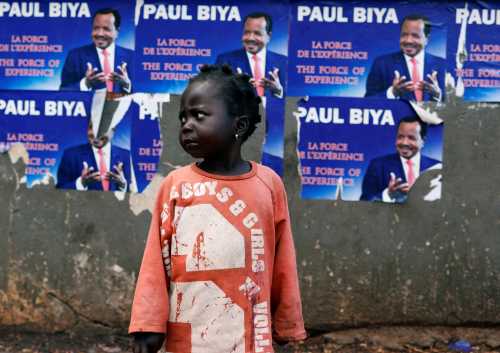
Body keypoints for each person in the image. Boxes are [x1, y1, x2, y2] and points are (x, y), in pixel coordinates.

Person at [129, 65, 306, 353]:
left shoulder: (267, 185)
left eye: (199, 115)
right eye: (183, 117)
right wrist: (148, 325)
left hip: (249, 340)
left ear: (238, 125)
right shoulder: (175, 185)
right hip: (188, 339)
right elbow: (154, 263)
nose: (186, 124)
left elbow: (283, 261)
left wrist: (286, 324)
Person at [364, 14, 446, 102]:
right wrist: (392, 92)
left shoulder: (442, 65)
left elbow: (456, 108)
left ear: (426, 39)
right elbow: (368, 102)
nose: (408, 40)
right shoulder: (381, 64)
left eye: (415, 36)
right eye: (404, 35)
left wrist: (438, 95)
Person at [360, 116, 441, 203]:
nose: (404, 142)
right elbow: (365, 202)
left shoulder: (437, 167)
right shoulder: (377, 166)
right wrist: (387, 194)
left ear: (423, 141)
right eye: (400, 137)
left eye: (411, 138)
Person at [59, 8, 133, 93]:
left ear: (117, 31)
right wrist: (86, 84)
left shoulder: (132, 57)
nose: (99, 33)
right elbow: (63, 91)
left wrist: (127, 85)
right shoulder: (75, 56)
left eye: (106, 29)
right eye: (96, 28)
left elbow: (146, 94)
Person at [215, 12, 287, 99]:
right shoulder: (224, 60)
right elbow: (217, 97)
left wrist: (279, 91)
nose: (250, 38)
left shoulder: (284, 62)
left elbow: (294, 103)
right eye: (246, 32)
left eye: (257, 33)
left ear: (269, 36)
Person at [56, 122, 131, 192]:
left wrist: (123, 185)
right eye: (92, 127)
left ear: (113, 129)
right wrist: (81, 183)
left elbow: (135, 194)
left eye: (102, 128)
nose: (96, 133)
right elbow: (60, 190)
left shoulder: (126, 156)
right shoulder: (71, 155)